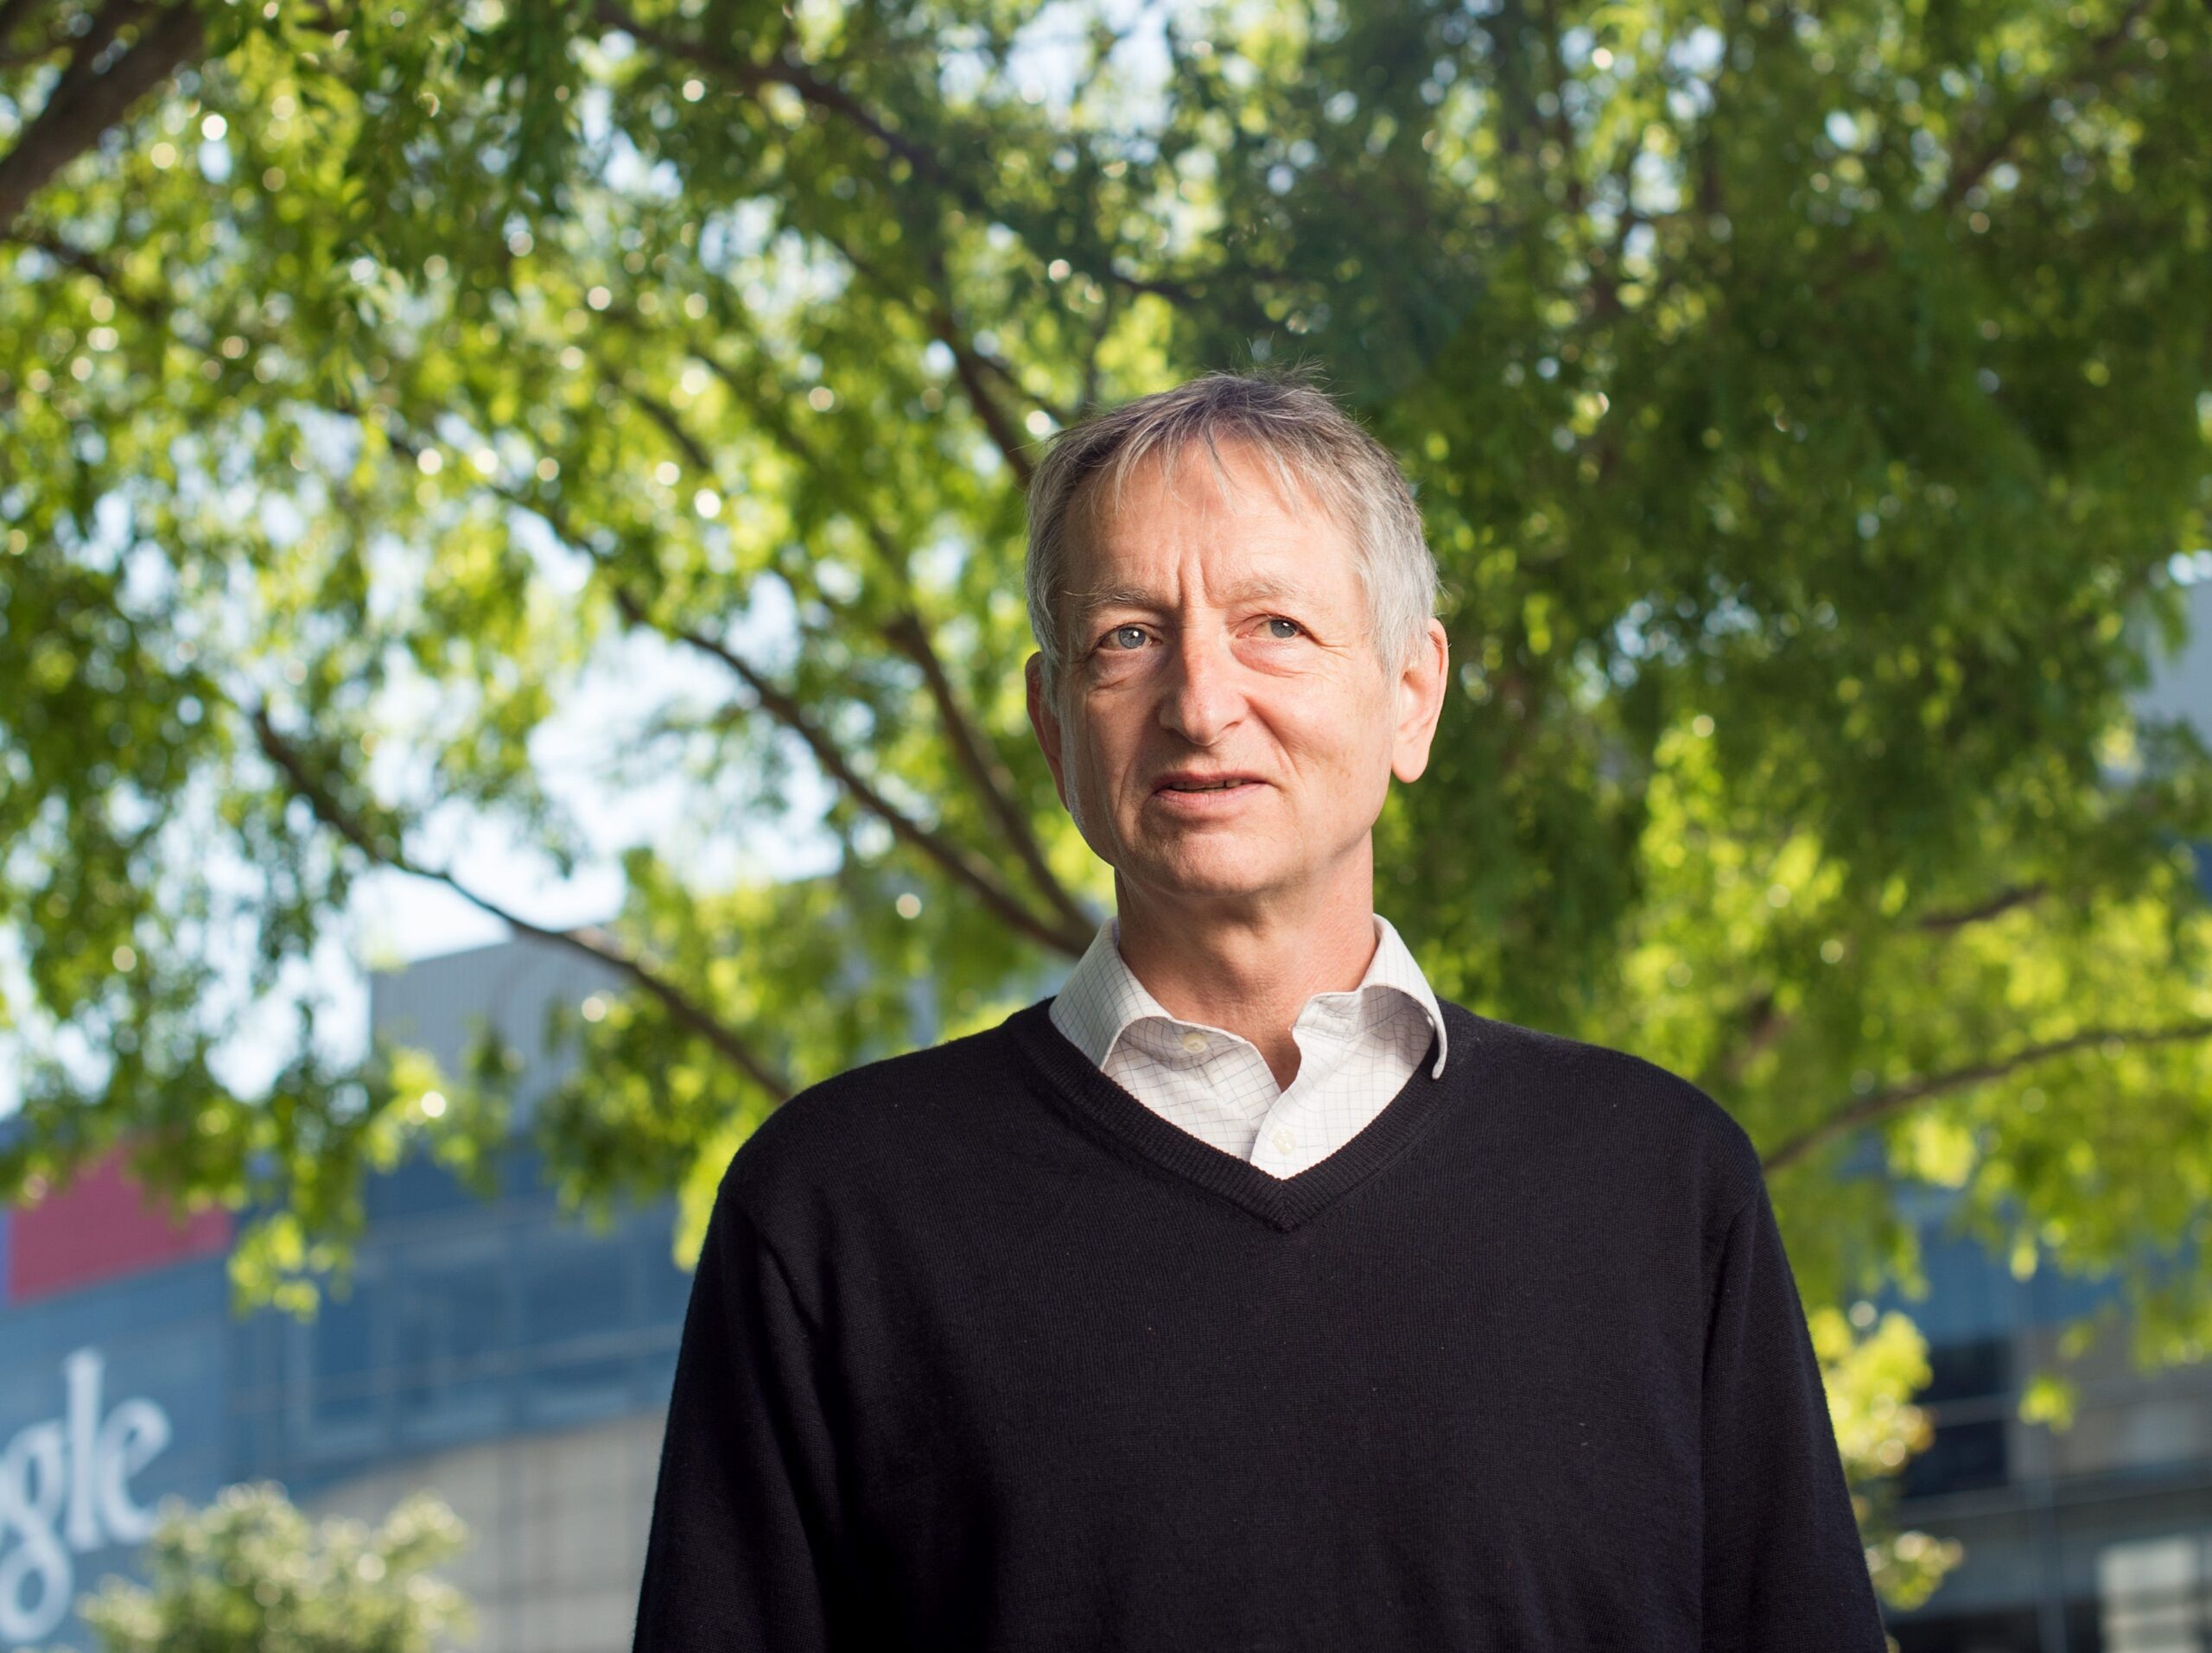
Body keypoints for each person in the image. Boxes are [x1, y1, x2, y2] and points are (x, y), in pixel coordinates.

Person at [630, 372, 1891, 1651]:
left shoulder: (1660, 1185)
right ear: (1054, 722)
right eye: (1126, 634)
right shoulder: (836, 1212)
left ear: (1412, 691)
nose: (1201, 701)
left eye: (1275, 624)